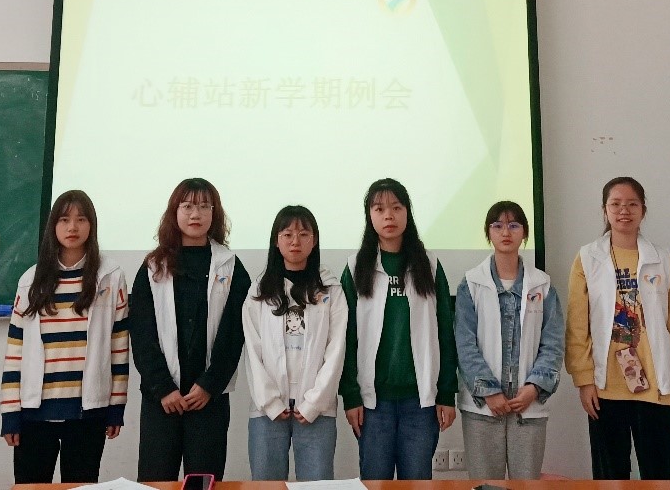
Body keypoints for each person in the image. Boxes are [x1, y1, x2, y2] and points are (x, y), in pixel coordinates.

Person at [565, 176, 670, 479]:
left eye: (632, 204)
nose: (624, 211)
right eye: (616, 204)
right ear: (605, 210)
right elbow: (577, 326)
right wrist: (584, 379)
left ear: (643, 210)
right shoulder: (587, 258)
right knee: (610, 477)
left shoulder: (662, 259)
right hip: (605, 388)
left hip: (656, 388)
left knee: (659, 476)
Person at [0, 190, 130, 483]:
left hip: (88, 412)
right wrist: (10, 413)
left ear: (91, 225)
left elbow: (119, 347)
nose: (73, 227)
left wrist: (115, 407)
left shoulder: (110, 276)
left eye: (81, 219)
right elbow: (15, 351)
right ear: (53, 226)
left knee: (82, 487)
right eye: (64, 220)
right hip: (35, 413)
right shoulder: (31, 280)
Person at [130, 178, 251, 480]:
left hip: (208, 399)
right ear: (174, 212)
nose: (195, 214)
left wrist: (209, 384)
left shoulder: (230, 267)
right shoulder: (153, 267)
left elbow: (234, 335)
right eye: (187, 206)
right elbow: (142, 334)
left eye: (204, 206)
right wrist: (163, 387)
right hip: (161, 400)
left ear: (214, 213)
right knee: (157, 481)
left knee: (204, 483)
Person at [338, 178, 458, 479]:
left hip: (420, 401)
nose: (388, 215)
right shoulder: (355, 267)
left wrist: (447, 393)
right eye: (379, 209)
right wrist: (350, 396)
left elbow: (445, 331)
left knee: (417, 482)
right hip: (372, 402)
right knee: (375, 481)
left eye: (396, 207)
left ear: (407, 212)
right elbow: (345, 337)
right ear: (369, 215)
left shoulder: (429, 265)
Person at [454, 200, 565, 479]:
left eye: (514, 225)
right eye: (498, 226)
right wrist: (489, 391)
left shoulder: (543, 285)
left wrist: (534, 388)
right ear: (488, 233)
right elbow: (464, 344)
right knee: (485, 485)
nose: (506, 232)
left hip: (528, 406)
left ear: (524, 233)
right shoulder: (471, 284)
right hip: (482, 408)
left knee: (526, 485)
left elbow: (553, 344)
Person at [243, 205, 348, 480]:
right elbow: (252, 352)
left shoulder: (331, 289)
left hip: (317, 409)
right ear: (276, 241)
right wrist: (271, 403)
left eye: (303, 234)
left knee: (317, 486)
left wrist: (314, 402)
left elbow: (336, 350)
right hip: (268, 411)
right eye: (287, 234)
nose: (295, 241)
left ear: (314, 240)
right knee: (266, 486)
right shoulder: (259, 291)